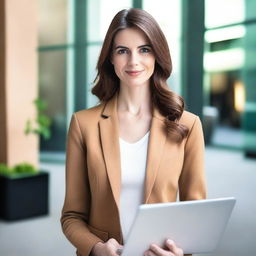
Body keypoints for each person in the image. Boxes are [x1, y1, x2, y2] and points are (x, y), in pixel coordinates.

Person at [61, 8, 206, 256]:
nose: (133, 61)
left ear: (156, 55)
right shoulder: (82, 124)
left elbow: (196, 214)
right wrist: (96, 248)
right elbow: (72, 216)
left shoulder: (188, 125)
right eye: (122, 51)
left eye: (144, 49)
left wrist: (178, 253)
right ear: (111, 58)